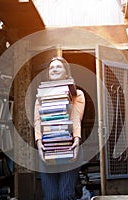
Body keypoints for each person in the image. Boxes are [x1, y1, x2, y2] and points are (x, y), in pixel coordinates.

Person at [34, 56, 85, 200]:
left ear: (66, 73)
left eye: (58, 67)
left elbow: (76, 117)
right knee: (50, 196)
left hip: (69, 146)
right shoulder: (40, 96)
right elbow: (37, 120)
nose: (54, 69)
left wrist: (76, 139)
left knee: (65, 195)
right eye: (51, 67)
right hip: (47, 148)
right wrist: (39, 144)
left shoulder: (77, 95)